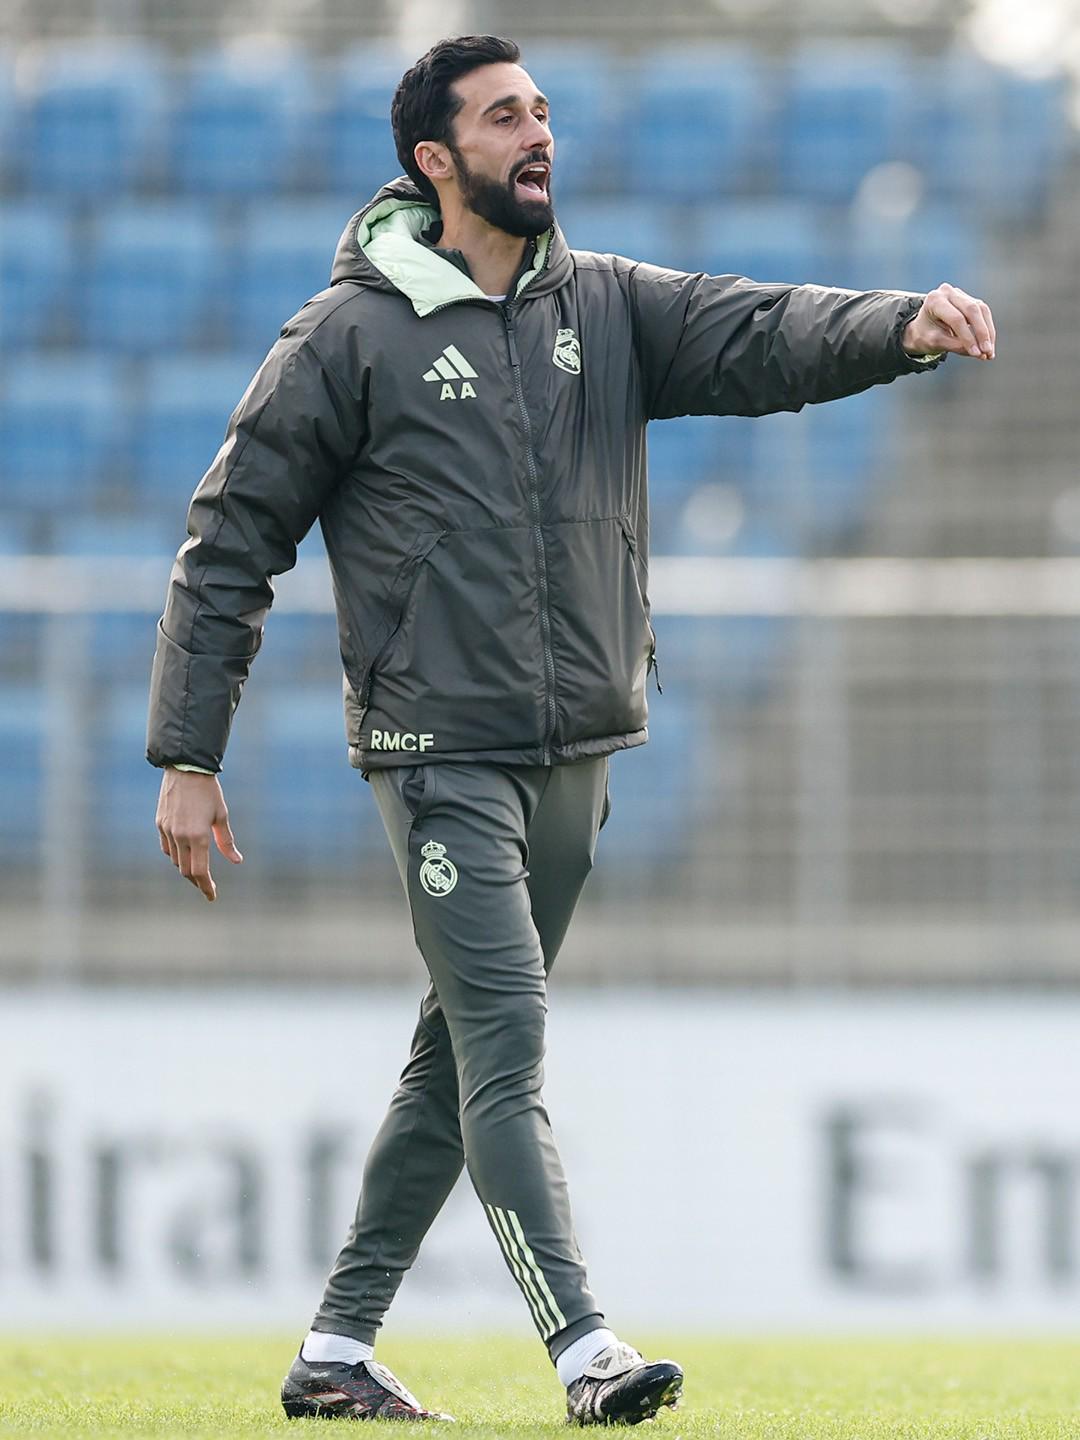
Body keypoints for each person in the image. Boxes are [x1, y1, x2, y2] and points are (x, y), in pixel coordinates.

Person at [148, 34, 996, 1426]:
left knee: (457, 1058)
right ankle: (585, 1349)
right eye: (504, 117)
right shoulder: (345, 337)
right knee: (507, 1041)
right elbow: (228, 541)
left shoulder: (601, 302)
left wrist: (900, 325)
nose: (538, 132)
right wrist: (189, 754)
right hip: (436, 757)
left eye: (542, 110)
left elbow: (761, 333)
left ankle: (336, 1349)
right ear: (436, 160)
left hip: (577, 756)